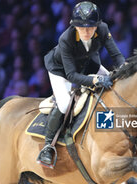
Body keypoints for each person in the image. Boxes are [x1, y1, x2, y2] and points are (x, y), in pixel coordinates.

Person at [38, 1, 125, 167]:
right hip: (61, 71)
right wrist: (96, 80)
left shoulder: (103, 29)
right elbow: (71, 75)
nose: (86, 31)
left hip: (88, 64)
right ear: (74, 26)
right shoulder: (66, 39)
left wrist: (126, 69)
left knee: (116, 88)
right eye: (81, 27)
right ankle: (48, 146)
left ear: (97, 25)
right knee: (64, 105)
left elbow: (116, 55)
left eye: (91, 27)